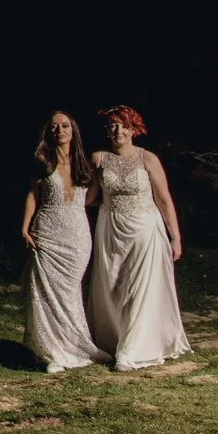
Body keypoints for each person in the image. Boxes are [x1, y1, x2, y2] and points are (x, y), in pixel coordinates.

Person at [86, 104, 191, 370]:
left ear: (134, 129)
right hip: (110, 229)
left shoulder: (148, 159)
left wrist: (175, 237)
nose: (118, 130)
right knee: (114, 286)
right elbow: (88, 197)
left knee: (139, 287)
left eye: (123, 125)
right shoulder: (99, 158)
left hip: (145, 228)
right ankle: (114, 340)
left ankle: (133, 350)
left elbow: (164, 200)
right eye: (113, 125)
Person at [21, 110, 109, 374]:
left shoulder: (85, 164)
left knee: (70, 292)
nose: (60, 130)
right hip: (48, 232)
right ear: (49, 132)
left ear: (73, 131)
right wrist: (25, 227)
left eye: (65, 126)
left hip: (78, 236)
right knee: (46, 294)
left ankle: (74, 346)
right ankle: (51, 352)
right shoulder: (41, 161)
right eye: (55, 126)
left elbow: (92, 198)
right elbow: (33, 197)